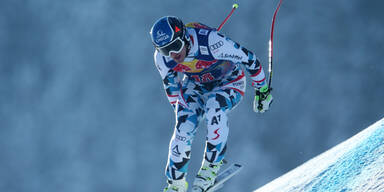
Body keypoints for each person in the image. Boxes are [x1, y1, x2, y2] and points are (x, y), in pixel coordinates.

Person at [150, 16, 273, 192]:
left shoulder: (211, 42)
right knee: (184, 126)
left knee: (215, 109)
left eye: (175, 47)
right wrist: (186, 119)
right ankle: (175, 184)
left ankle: (210, 168)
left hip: (229, 81)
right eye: (165, 50)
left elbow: (250, 59)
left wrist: (262, 92)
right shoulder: (162, 59)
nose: (172, 55)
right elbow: (173, 91)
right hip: (196, 86)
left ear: (184, 37)